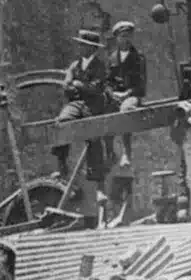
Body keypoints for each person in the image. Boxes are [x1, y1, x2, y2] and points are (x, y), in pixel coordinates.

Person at [52, 29, 110, 203]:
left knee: (92, 135)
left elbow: (97, 88)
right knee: (62, 123)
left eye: (85, 46)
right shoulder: (74, 65)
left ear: (92, 49)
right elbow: (67, 85)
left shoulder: (100, 66)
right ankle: (62, 167)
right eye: (80, 45)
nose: (81, 48)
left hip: (94, 104)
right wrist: (73, 86)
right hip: (75, 104)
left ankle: (99, 184)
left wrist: (79, 85)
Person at [105, 20, 147, 169]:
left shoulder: (138, 57)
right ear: (117, 38)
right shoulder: (111, 58)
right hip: (115, 97)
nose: (126, 39)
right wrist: (111, 93)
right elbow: (108, 81)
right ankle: (110, 152)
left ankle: (126, 152)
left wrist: (127, 94)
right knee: (103, 112)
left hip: (132, 97)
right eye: (122, 36)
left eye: (128, 36)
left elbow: (141, 85)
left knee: (125, 111)